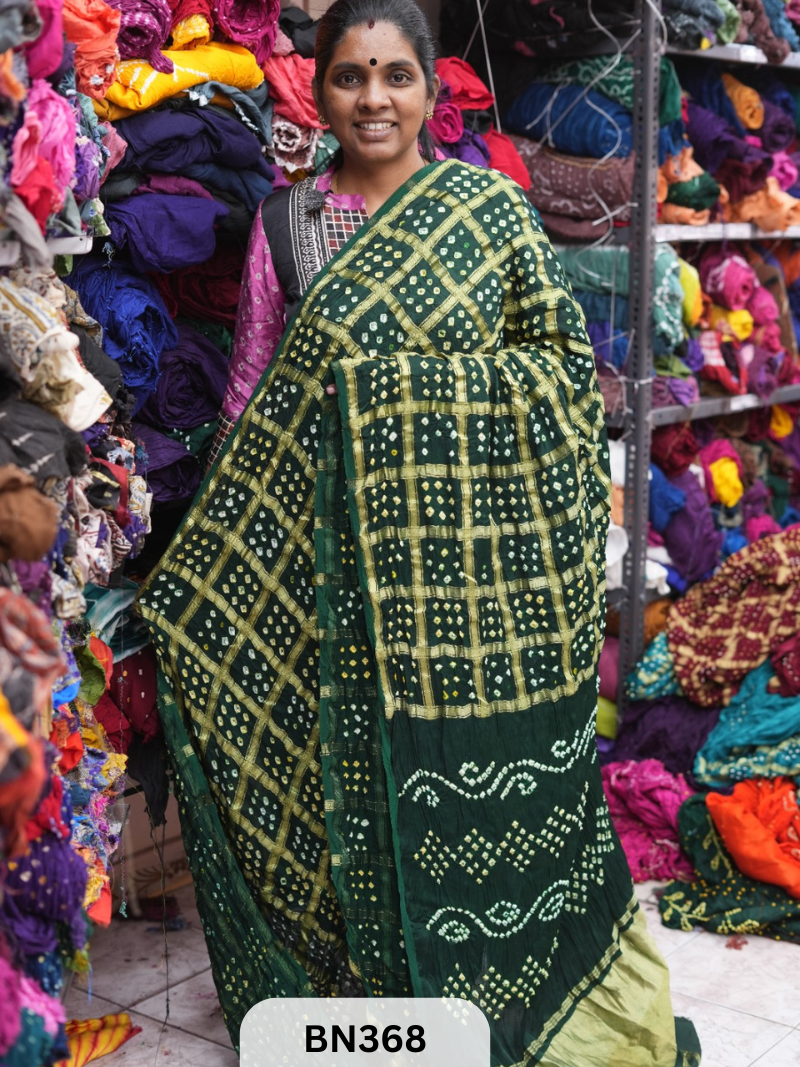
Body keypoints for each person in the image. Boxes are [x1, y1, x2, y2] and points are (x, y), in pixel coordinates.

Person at [137, 2, 701, 1065]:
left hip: (464, 580)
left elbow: (553, 369)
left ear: (432, 87)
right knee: (330, 763)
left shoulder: (487, 209)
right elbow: (257, 382)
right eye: (349, 77)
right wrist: (221, 537)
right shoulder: (284, 223)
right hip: (323, 547)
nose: (372, 99)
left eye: (395, 76)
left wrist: (391, 395)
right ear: (321, 87)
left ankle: (489, 979)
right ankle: (367, 997)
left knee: (448, 769)